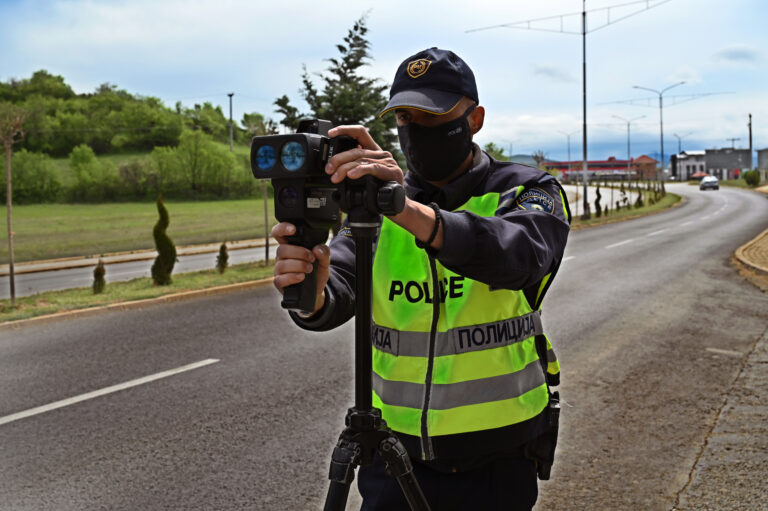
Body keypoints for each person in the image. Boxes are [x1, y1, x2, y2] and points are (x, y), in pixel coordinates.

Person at [272, 47, 571, 510]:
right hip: (394, 454)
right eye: (405, 118)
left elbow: (517, 258)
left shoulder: (526, 190)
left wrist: (406, 209)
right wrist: (310, 291)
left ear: (475, 120)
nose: (416, 132)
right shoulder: (377, 202)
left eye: (432, 116)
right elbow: (342, 286)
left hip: (496, 458)